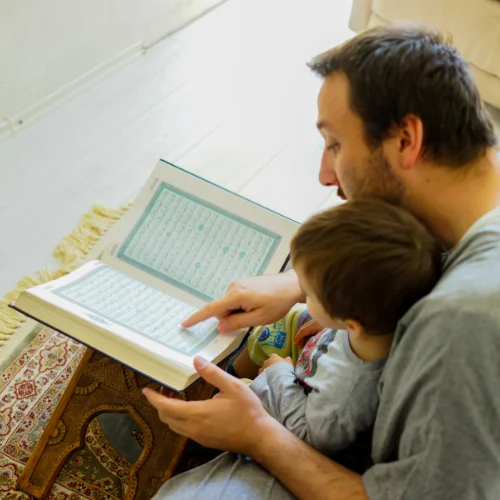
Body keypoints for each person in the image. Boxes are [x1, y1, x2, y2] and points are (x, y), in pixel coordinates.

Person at [143, 24, 500, 499]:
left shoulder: (462, 321)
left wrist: (259, 436)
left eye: (334, 144)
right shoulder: (473, 201)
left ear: (406, 140)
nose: (324, 173)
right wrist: (298, 285)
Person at [236, 199, 440, 457]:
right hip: (312, 361)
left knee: (235, 394)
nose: (302, 296)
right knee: (286, 319)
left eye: (308, 293)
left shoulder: (344, 400)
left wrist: (279, 373)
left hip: (298, 410)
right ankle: (234, 368)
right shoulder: (376, 320)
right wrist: (327, 322)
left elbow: (307, 434)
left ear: (350, 322)